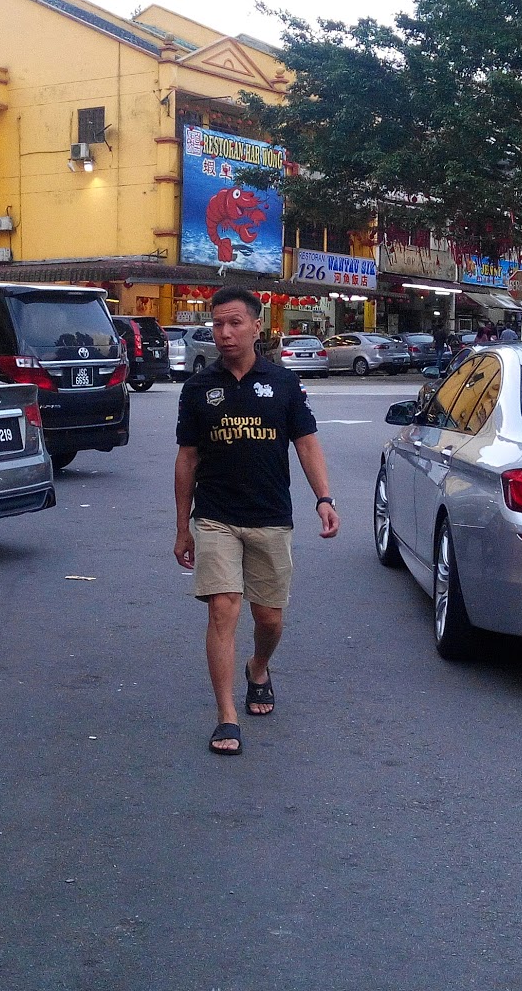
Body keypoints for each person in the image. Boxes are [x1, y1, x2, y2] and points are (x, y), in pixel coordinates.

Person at [174, 286, 339, 757]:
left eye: (234, 323)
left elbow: (307, 443)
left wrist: (323, 498)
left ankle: (258, 668)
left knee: (268, 617)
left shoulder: (283, 384)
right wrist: (182, 526)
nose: (224, 333)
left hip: (270, 516)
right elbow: (187, 458)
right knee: (223, 607)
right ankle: (226, 715)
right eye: (217, 325)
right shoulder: (198, 387)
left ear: (256, 326)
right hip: (215, 516)